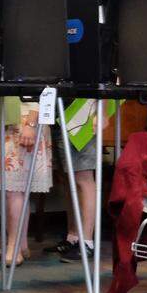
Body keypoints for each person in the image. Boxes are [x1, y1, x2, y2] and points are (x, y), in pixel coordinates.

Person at [0, 99, 51, 265]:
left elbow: (41, 87)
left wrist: (31, 124)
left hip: (25, 120)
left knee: (12, 189)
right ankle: (21, 244)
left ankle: (14, 247)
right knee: (15, 189)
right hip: (8, 118)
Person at [46, 106, 107, 264]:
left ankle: (86, 241)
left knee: (83, 178)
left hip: (81, 114)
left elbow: (102, 81)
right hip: (60, 113)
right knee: (68, 180)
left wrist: (101, 112)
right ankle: (73, 237)